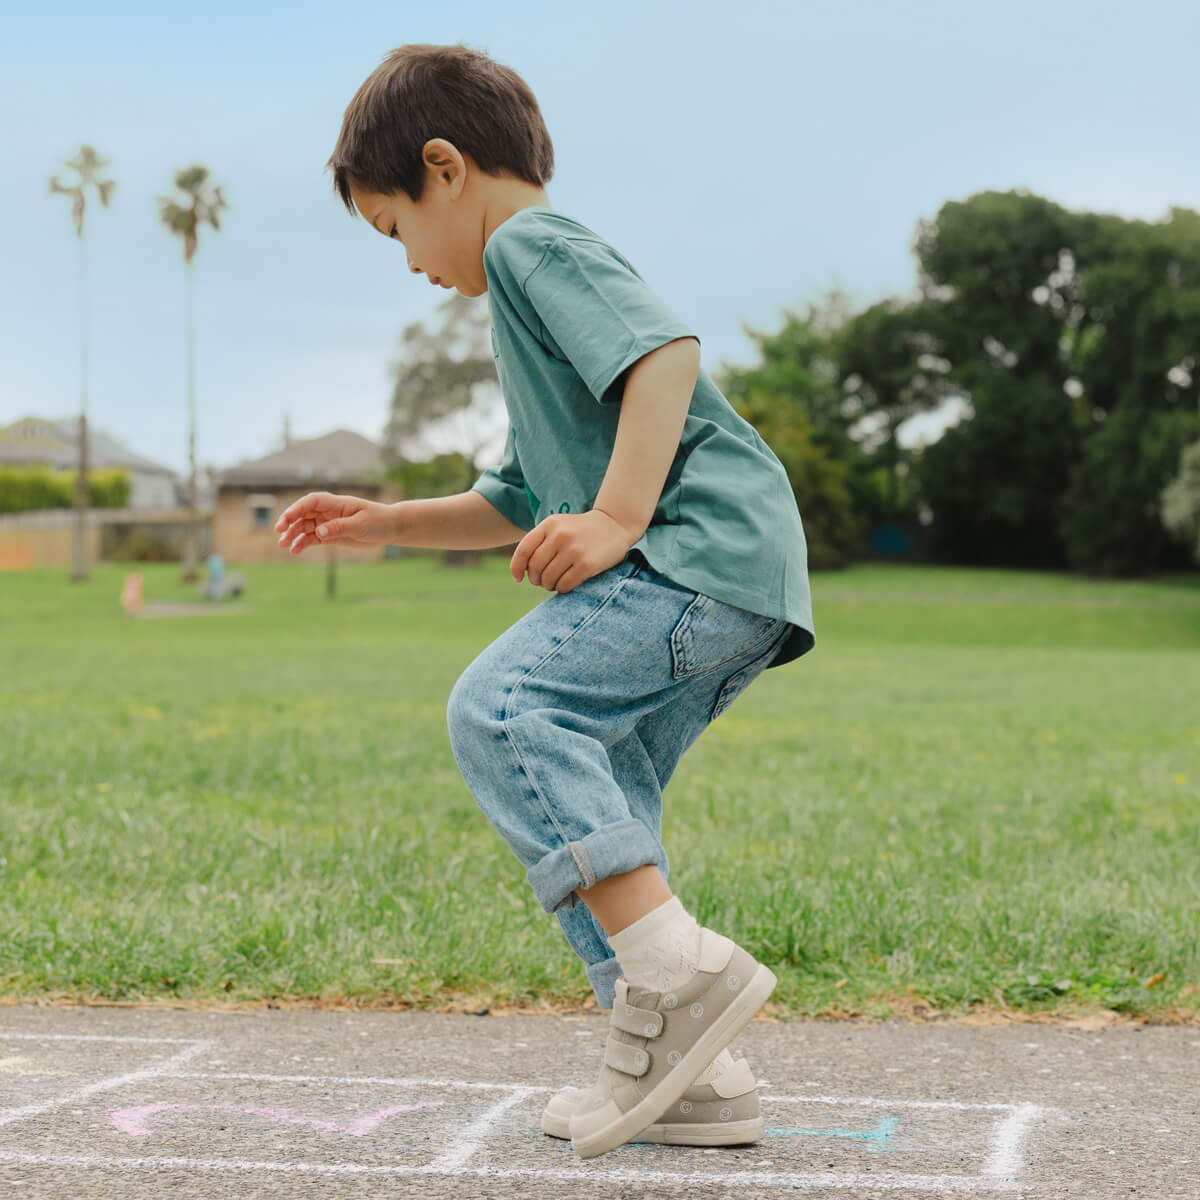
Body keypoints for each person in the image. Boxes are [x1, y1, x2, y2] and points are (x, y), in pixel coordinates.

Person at [274, 42, 816, 1160]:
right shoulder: (523, 301)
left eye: (393, 228)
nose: (407, 260)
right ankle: (688, 1067)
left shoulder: (530, 245)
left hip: (692, 552)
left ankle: (678, 977)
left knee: (507, 710)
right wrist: (383, 521)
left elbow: (663, 355)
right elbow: (517, 497)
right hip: (739, 580)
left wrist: (617, 518)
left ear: (445, 168)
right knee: (594, 790)